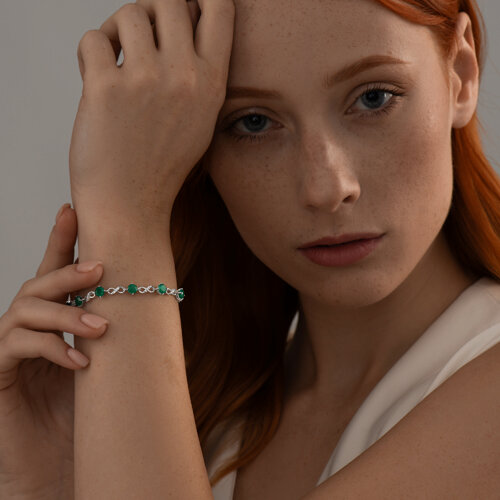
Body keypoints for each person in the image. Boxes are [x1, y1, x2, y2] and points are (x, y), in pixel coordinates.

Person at [0, 0, 498, 498]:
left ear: (461, 72)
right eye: (254, 123)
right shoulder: (207, 415)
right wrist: (67, 479)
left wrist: (122, 209)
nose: (327, 188)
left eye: (373, 98)